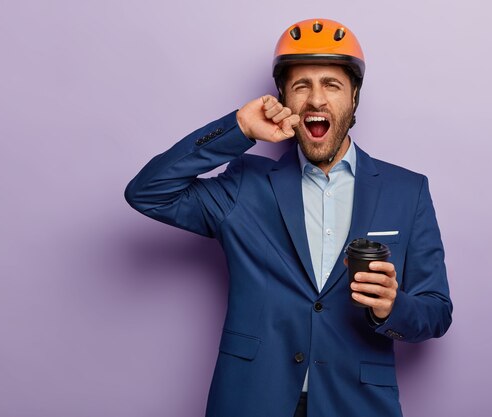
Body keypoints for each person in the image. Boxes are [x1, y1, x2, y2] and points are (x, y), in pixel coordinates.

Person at [125, 18, 452, 417]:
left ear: (353, 98)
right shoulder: (245, 184)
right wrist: (238, 129)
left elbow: (436, 311)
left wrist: (390, 307)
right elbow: (148, 193)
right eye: (301, 86)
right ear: (283, 98)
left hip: (358, 404)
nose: (316, 100)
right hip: (251, 399)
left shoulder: (408, 190)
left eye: (331, 85)